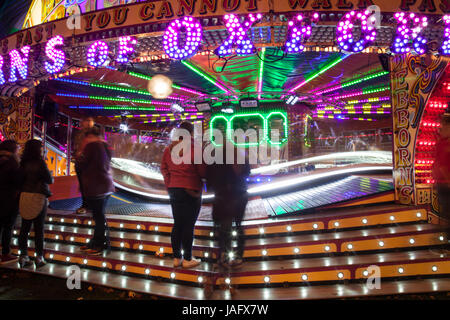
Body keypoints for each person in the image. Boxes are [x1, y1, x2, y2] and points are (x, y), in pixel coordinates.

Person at [161, 121, 204, 268]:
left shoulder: (169, 149)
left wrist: (170, 183)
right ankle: (187, 259)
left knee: (177, 224)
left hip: (174, 189)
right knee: (188, 225)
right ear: (191, 133)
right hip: (191, 190)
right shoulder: (195, 149)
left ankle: (176, 257)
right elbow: (202, 171)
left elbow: (164, 168)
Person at [206, 141, 250, 268]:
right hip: (240, 196)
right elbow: (247, 173)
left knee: (225, 229)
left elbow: (209, 179)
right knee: (238, 226)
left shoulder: (215, 160)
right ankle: (238, 256)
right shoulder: (240, 157)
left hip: (223, 197)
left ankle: (224, 256)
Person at [78, 127, 115, 255]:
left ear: (90, 136)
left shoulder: (91, 146)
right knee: (98, 216)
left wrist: (80, 154)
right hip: (105, 186)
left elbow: (81, 164)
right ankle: (96, 241)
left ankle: (98, 244)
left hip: (96, 187)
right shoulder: (105, 146)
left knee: (98, 217)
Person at [18, 139, 54, 268]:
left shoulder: (22, 163)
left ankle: (23, 256)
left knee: (24, 228)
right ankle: (39, 257)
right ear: (38, 150)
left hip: (25, 195)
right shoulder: (40, 163)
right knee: (39, 229)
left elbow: (19, 180)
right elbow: (49, 180)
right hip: (38, 196)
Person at [0, 140, 21, 264]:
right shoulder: (13, 162)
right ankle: (6, 253)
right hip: (9, 199)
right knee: (8, 226)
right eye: (17, 147)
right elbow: (17, 180)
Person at [433, 116, 450, 243]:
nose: (441, 129)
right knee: (447, 212)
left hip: (442, 182)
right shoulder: (444, 144)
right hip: (445, 183)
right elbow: (443, 165)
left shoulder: (442, 143)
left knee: (446, 212)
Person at [73, 117, 95, 214]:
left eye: (90, 121)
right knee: (83, 185)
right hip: (82, 163)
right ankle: (86, 204)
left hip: (88, 163)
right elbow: (77, 147)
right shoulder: (80, 134)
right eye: (87, 121)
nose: (88, 123)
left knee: (87, 185)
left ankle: (88, 205)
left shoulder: (92, 135)